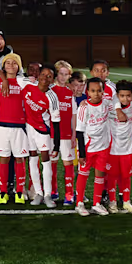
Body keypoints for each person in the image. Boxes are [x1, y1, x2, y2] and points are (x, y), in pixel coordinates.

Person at [0, 53, 31, 204]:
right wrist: (3, 79)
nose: (10, 65)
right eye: (7, 63)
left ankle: (19, 192)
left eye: (14, 63)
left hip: (20, 126)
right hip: (2, 126)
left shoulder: (24, 82)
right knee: (4, 158)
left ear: (19, 66)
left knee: (20, 158)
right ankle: (3, 192)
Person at [23, 64, 60, 209]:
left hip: (43, 131)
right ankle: (38, 193)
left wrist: (56, 145)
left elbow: (56, 123)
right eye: (43, 74)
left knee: (45, 160)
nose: (45, 78)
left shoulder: (52, 97)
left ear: (52, 80)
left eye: (49, 76)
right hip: (29, 129)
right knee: (32, 158)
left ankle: (48, 195)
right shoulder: (28, 87)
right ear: (38, 75)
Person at [75, 78, 113, 216]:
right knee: (83, 174)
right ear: (88, 92)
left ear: (103, 91)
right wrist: (82, 153)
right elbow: (79, 132)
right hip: (88, 147)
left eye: (99, 90)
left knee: (100, 174)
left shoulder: (107, 104)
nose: (96, 93)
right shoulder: (84, 108)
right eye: (93, 91)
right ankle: (79, 203)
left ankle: (97, 203)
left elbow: (117, 106)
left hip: (103, 146)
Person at [103, 79, 132, 213]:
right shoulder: (110, 105)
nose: (125, 99)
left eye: (128, 96)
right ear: (117, 96)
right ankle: (112, 202)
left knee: (126, 176)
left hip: (127, 148)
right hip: (112, 148)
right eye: (122, 96)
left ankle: (126, 201)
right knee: (112, 176)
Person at [51, 61, 77, 206]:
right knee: (52, 164)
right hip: (52, 135)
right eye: (61, 73)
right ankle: (53, 191)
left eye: (66, 74)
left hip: (67, 134)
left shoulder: (69, 93)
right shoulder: (50, 90)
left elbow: (73, 115)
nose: (63, 76)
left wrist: (73, 134)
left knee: (68, 164)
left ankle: (69, 194)